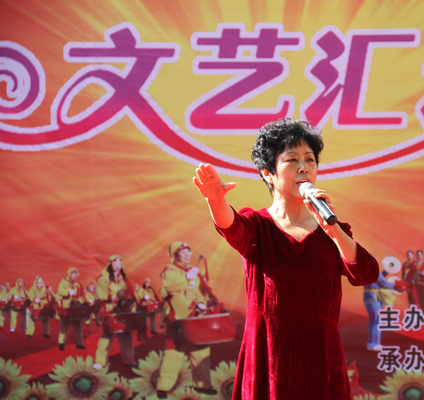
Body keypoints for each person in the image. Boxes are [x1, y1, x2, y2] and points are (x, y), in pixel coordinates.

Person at [193, 118, 379, 400]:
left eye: (310, 159)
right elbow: (231, 227)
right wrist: (215, 200)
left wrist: (333, 231)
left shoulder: (333, 230)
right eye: (292, 160)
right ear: (268, 173)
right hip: (268, 353)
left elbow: (366, 273)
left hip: (320, 356)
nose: (304, 167)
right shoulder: (257, 226)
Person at [156, 242, 214, 396]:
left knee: (200, 349)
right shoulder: (170, 270)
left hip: (194, 316)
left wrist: (201, 303)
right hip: (177, 316)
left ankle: (202, 385)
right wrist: (187, 278)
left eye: (189, 251)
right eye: (183, 252)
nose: (188, 254)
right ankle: (163, 387)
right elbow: (168, 288)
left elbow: (198, 292)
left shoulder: (191, 270)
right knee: (174, 351)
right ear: (175, 255)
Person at [93, 255, 138, 369]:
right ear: (110, 264)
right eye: (115, 263)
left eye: (119, 264)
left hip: (122, 309)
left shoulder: (124, 277)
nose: (117, 266)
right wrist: (110, 297)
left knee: (125, 335)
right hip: (109, 309)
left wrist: (129, 299)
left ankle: (129, 360)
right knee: (106, 335)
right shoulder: (103, 278)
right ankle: (100, 362)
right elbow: (100, 292)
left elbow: (129, 291)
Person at [364, 264, 397, 352]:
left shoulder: (366, 268)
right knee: (376, 321)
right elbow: (383, 282)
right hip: (374, 297)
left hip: (369, 296)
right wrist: (395, 285)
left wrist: (385, 272)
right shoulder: (373, 267)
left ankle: (373, 343)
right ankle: (373, 344)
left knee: (374, 320)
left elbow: (378, 279)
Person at [57, 268, 87, 351]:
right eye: (73, 274)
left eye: (76, 274)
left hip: (76, 308)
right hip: (66, 308)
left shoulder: (78, 284)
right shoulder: (63, 283)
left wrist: (82, 302)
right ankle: (61, 343)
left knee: (78, 326)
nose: (75, 276)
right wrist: (68, 291)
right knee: (64, 326)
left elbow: (83, 295)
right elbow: (59, 291)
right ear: (69, 275)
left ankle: (79, 344)